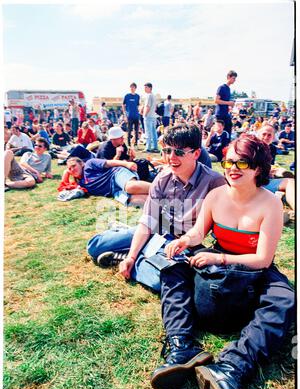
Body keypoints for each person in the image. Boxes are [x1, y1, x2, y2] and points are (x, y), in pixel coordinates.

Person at [150, 134, 294, 389]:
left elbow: (263, 259)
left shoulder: (271, 204)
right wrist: (184, 241)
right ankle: (181, 347)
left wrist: (222, 259)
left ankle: (232, 368)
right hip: (218, 257)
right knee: (173, 270)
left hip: (249, 267)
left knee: (284, 298)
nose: (233, 167)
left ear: (258, 167)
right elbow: (198, 234)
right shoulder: (216, 196)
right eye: (228, 161)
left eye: (242, 162)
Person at [87, 124, 225, 291]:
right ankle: (135, 254)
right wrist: (131, 257)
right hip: (157, 230)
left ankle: (137, 256)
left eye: (179, 152)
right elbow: (148, 222)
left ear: (196, 154)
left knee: (162, 280)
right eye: (167, 151)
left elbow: (217, 228)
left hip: (183, 243)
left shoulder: (215, 182)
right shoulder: (162, 179)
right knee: (95, 246)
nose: (171, 157)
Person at [62, 155, 150, 206]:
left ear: (81, 164)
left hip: (116, 174)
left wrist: (126, 163)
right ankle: (161, 201)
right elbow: (64, 186)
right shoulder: (81, 184)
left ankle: (162, 188)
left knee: (130, 187)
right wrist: (66, 172)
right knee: (131, 200)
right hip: (114, 191)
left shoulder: (89, 164)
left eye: (74, 166)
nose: (72, 169)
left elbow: (109, 163)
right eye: (70, 168)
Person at [257, 124, 294, 211]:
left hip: (266, 179)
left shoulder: (272, 148)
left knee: (290, 183)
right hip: (255, 183)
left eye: (269, 135)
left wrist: (270, 170)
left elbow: (269, 165)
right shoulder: (252, 147)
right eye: (264, 134)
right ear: (258, 134)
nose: (266, 137)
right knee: (290, 182)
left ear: (273, 137)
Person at [214, 70, 237, 139]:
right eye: (233, 78)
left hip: (225, 113)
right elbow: (216, 100)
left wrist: (229, 105)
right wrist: (228, 103)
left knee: (228, 132)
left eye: (235, 79)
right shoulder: (222, 87)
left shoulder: (228, 89)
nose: (234, 80)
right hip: (220, 114)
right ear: (228, 77)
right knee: (221, 134)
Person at [143, 83, 159, 153]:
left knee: (148, 132)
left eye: (146, 87)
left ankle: (148, 147)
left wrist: (144, 114)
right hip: (153, 116)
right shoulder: (154, 96)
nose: (144, 89)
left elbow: (147, 106)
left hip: (148, 116)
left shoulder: (149, 96)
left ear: (150, 88)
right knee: (154, 132)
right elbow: (155, 107)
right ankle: (155, 147)